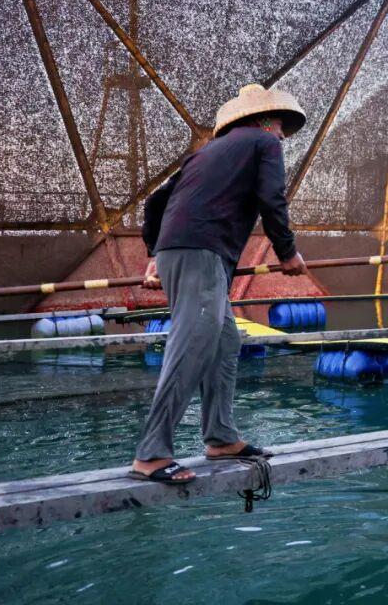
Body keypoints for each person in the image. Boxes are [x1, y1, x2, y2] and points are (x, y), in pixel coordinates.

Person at [130, 84, 308, 484]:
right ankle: (151, 454)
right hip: (202, 252)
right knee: (192, 341)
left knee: (225, 340)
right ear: (265, 121)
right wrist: (287, 251)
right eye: (281, 126)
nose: (283, 136)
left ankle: (221, 436)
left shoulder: (204, 154)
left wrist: (154, 256)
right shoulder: (265, 145)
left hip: (182, 252)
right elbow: (273, 198)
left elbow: (157, 202)